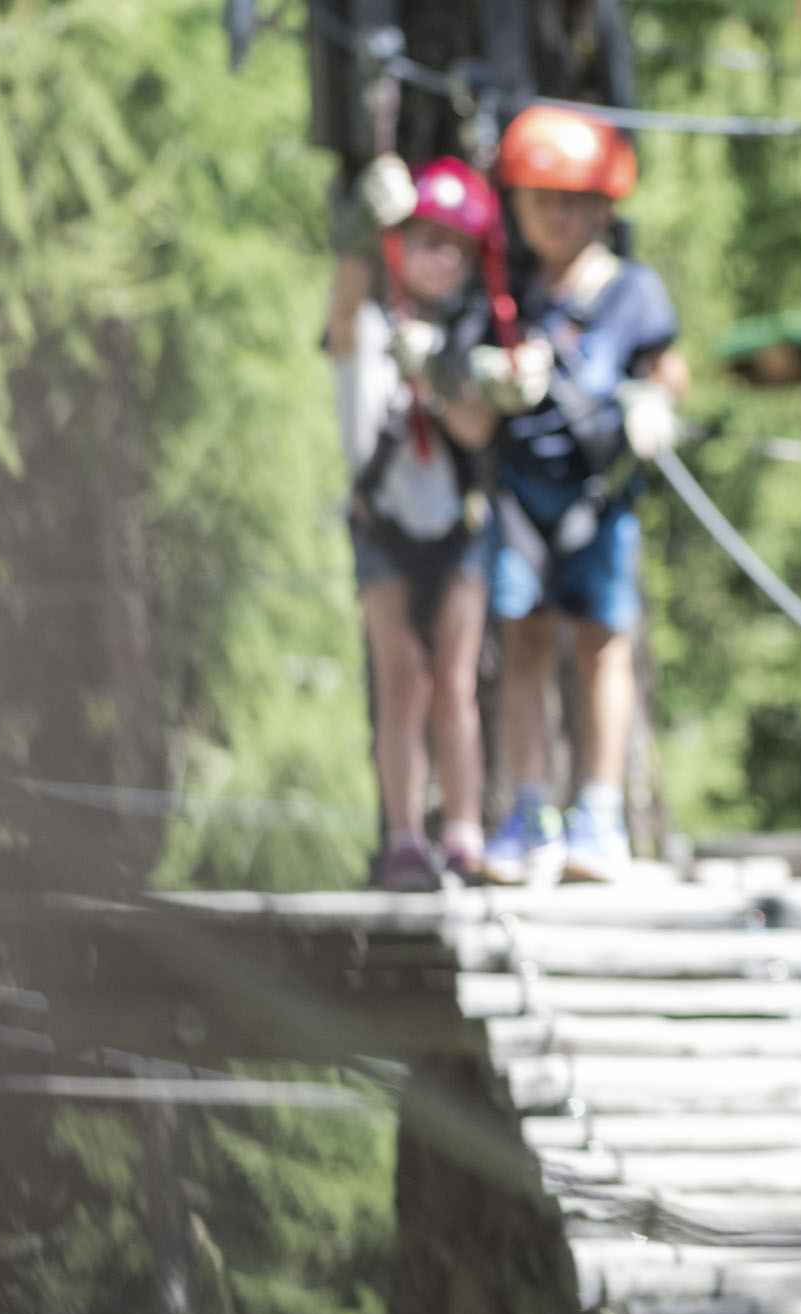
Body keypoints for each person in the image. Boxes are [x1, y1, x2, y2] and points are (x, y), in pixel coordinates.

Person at [475, 103, 686, 886]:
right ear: (519, 206)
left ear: (605, 203)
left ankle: (598, 812)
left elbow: (669, 369)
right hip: (521, 500)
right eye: (542, 201)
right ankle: (528, 810)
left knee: (604, 650)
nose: (560, 217)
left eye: (576, 201)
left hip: (601, 500)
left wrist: (654, 404)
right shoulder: (506, 293)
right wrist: (489, 382)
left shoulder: (631, 291)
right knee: (524, 651)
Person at [330, 156, 510, 891]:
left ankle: (463, 830)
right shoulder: (367, 329)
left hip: (458, 523)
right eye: (424, 239)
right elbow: (342, 311)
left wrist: (436, 375)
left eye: (455, 246)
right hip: (383, 522)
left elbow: (475, 429)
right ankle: (404, 835)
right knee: (400, 678)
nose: (439, 258)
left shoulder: (475, 339)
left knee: (455, 681)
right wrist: (356, 230)